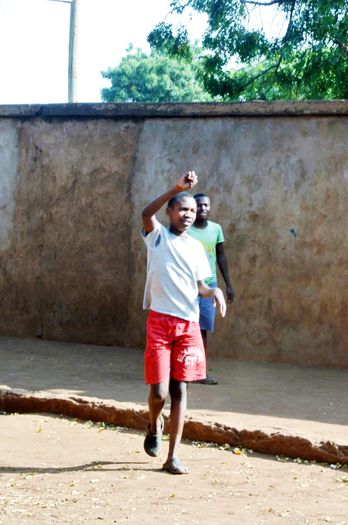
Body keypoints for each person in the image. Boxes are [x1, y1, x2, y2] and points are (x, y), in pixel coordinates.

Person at [140, 171, 227, 475]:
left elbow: (201, 285)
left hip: (188, 327)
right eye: (182, 208)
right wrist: (175, 188)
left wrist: (213, 290)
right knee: (159, 393)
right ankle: (153, 426)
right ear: (170, 212)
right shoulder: (157, 236)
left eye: (192, 210)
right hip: (160, 323)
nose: (188, 214)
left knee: (180, 391)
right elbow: (145, 212)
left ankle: (172, 456)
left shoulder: (196, 248)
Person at [187, 192, 235, 385]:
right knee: (186, 327)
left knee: (203, 329)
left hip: (210, 285)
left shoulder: (216, 229)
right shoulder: (186, 229)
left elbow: (221, 256)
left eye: (206, 205)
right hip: (188, 286)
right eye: (199, 205)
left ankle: (200, 372)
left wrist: (228, 284)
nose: (203, 209)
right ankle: (182, 370)